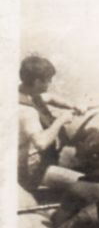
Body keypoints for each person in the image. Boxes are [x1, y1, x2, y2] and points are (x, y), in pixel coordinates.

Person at [18, 54, 84, 192]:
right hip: (33, 171)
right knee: (87, 182)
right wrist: (61, 120)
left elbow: (50, 98)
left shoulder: (24, 93)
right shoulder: (27, 112)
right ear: (37, 82)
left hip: (42, 158)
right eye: (48, 80)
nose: (50, 83)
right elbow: (41, 143)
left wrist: (73, 105)